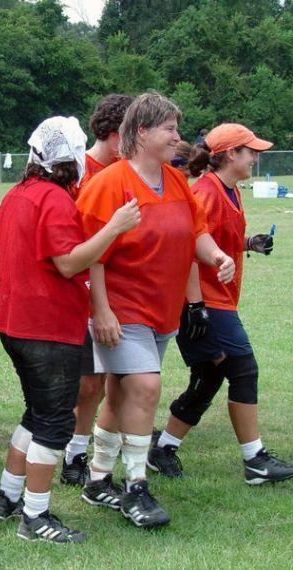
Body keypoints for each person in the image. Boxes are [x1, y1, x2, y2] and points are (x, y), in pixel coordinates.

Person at [75, 91, 235, 529]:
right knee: (145, 386)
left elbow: (195, 231)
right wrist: (102, 310)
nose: (177, 137)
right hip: (122, 308)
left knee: (123, 393)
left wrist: (217, 255)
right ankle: (136, 486)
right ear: (141, 131)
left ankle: (97, 479)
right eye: (169, 128)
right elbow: (92, 255)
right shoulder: (108, 183)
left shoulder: (176, 179)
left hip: (162, 309)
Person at [0, 116, 140, 543]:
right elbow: (69, 262)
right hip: (47, 326)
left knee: (36, 413)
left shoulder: (19, 193)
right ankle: (35, 517)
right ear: (69, 158)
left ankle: (7, 495)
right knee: (54, 422)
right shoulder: (53, 199)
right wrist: (114, 227)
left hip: (16, 324)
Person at [148, 123, 293, 484]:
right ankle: (255, 459)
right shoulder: (206, 193)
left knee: (210, 375)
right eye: (250, 151)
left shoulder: (229, 190)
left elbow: (213, 241)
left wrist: (248, 243)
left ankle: (163, 448)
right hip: (204, 302)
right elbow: (187, 246)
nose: (256, 157)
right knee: (244, 369)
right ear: (230, 154)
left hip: (216, 299)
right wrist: (195, 304)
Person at [61, 94, 133, 487]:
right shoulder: (77, 169)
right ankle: (73, 450)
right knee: (87, 382)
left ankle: (84, 444)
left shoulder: (128, 172)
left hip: (116, 287)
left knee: (109, 379)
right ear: (115, 134)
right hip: (80, 287)